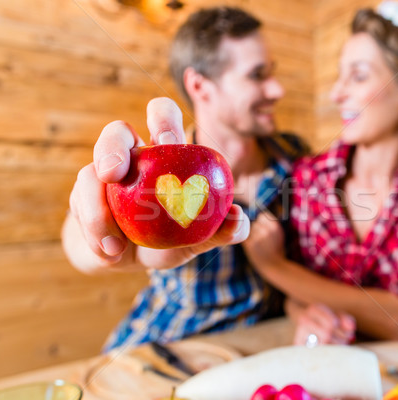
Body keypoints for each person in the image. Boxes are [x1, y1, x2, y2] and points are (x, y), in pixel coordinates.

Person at [243, 1, 398, 363]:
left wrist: (274, 267)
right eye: (339, 75)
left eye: (358, 76)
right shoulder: (308, 177)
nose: (336, 94)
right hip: (342, 365)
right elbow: (301, 292)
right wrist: (304, 314)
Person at [62, 7, 307, 351]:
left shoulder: (294, 158)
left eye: (273, 73)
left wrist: (303, 305)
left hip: (257, 349)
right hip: (163, 346)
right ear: (199, 85)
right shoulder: (145, 169)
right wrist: (100, 240)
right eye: (257, 75)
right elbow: (75, 238)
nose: (277, 89)